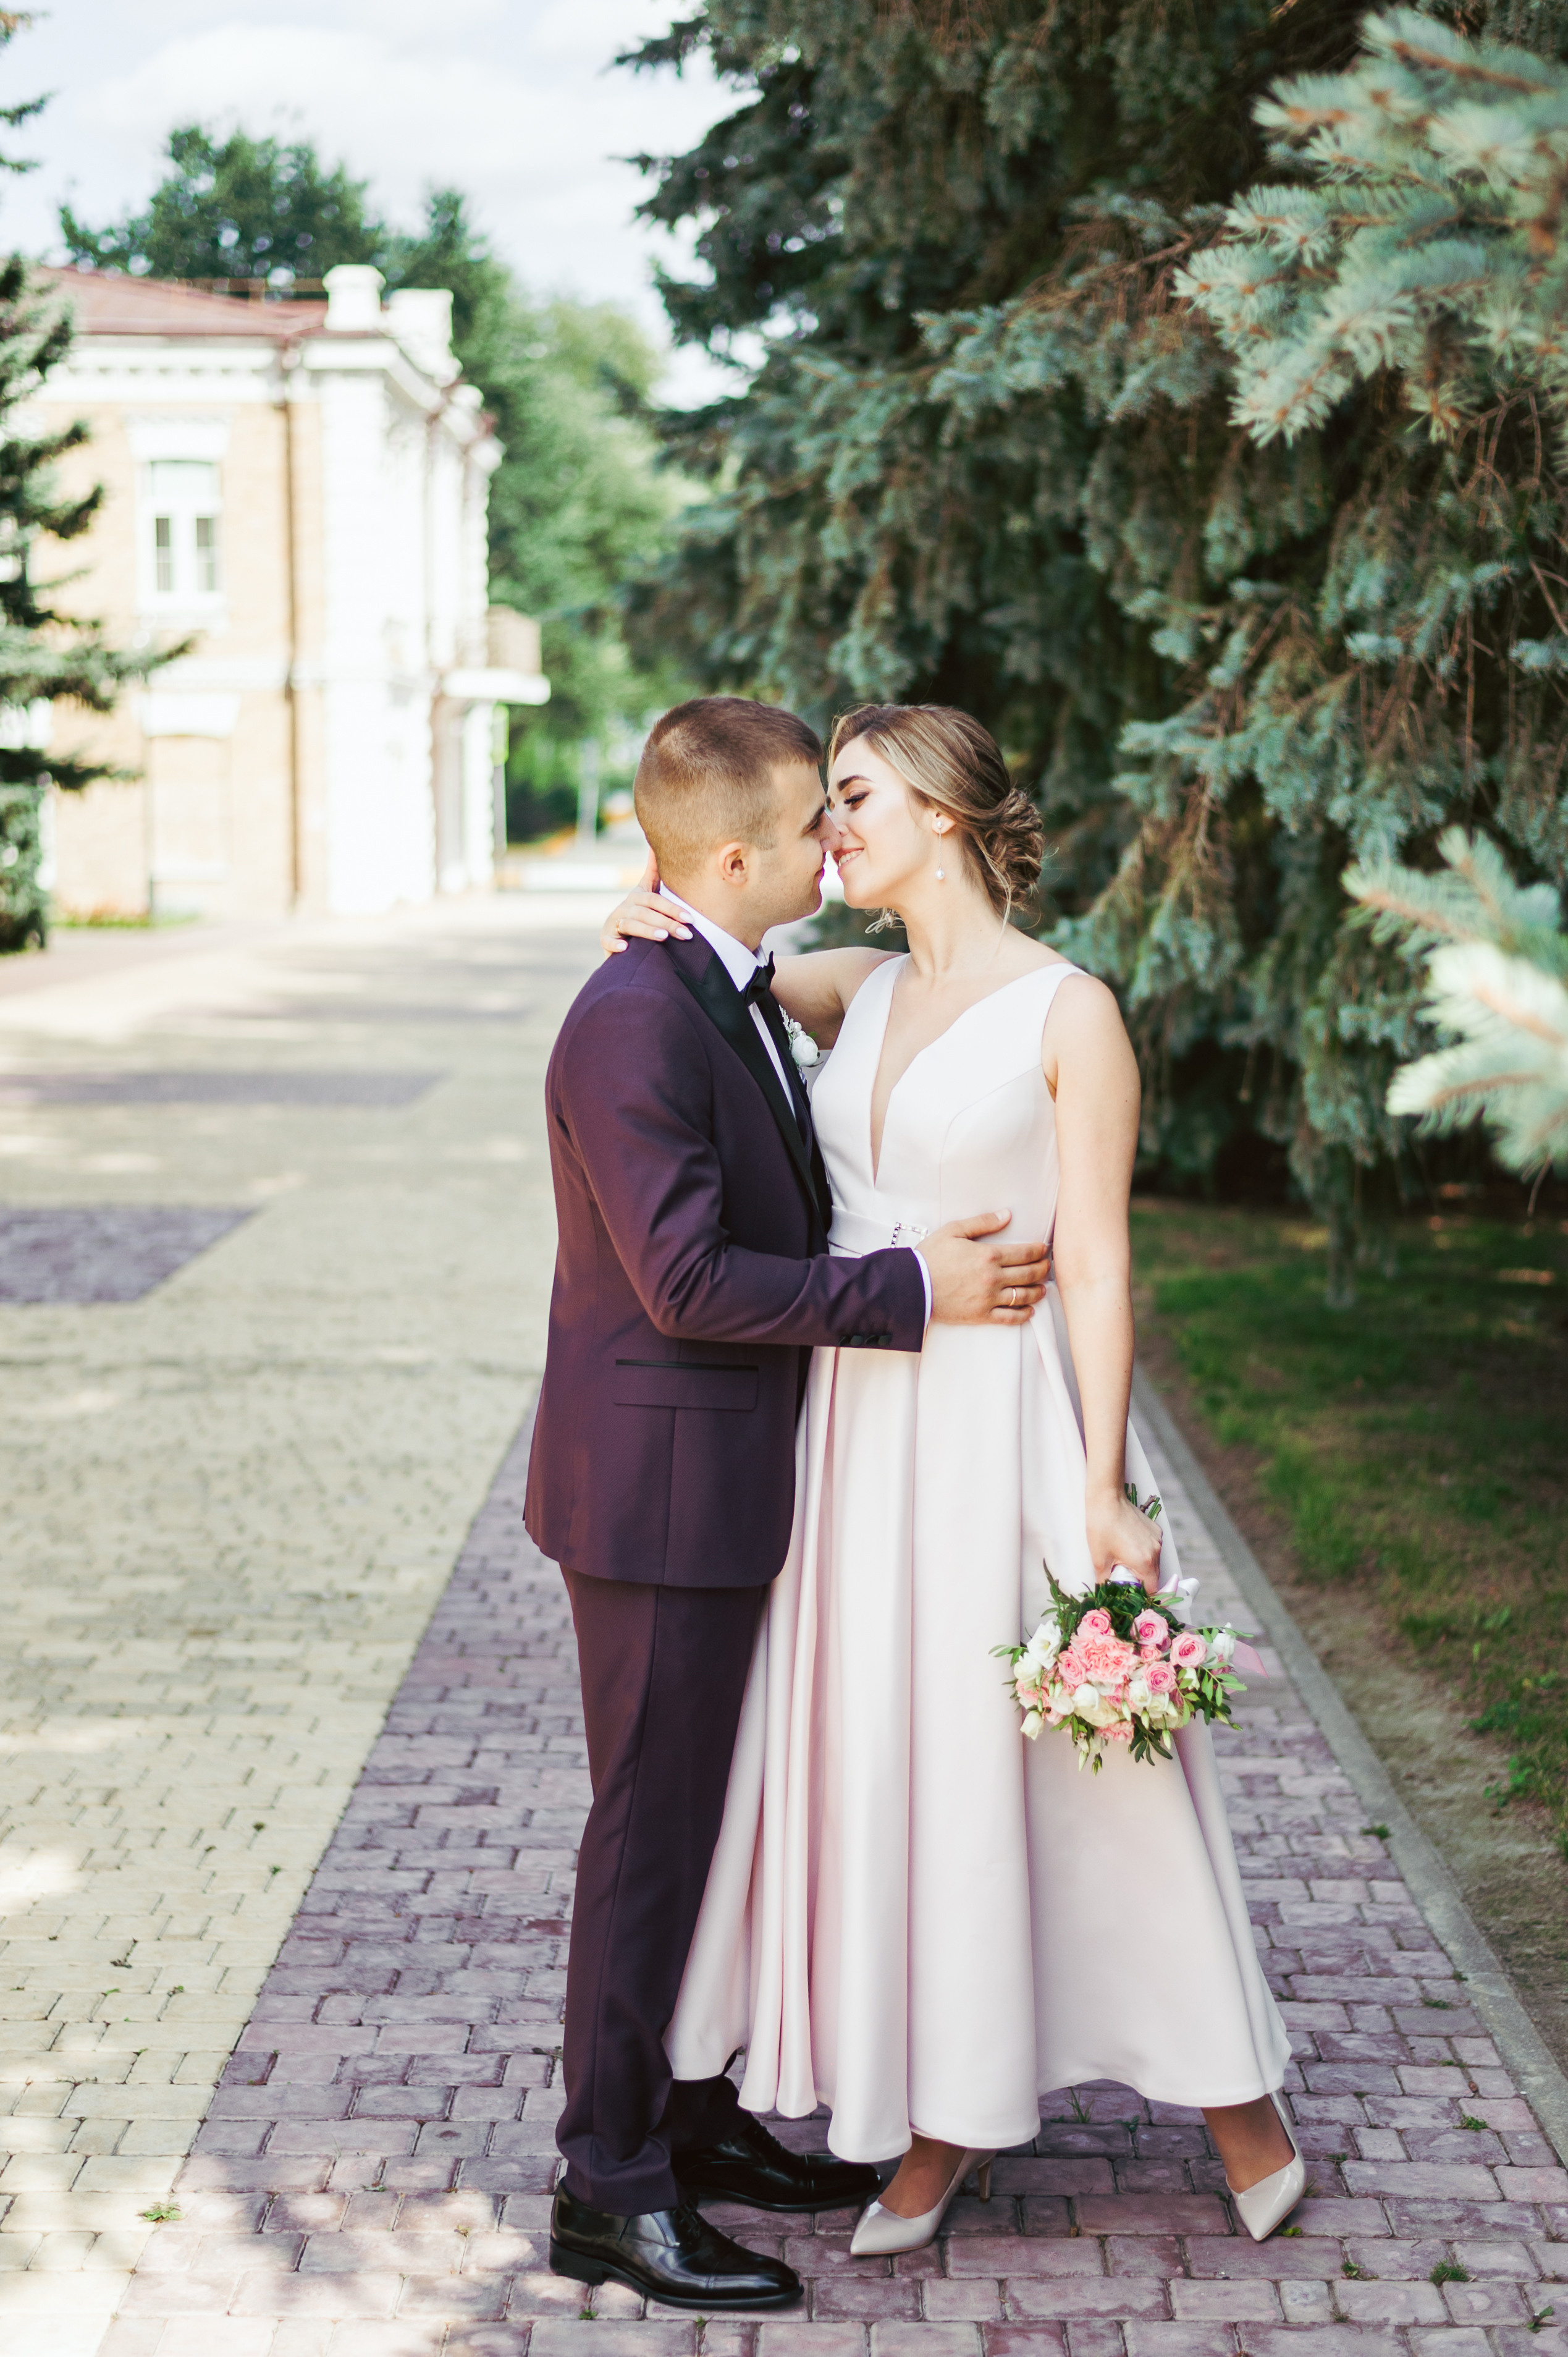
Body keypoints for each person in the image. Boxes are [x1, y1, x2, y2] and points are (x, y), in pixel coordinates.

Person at [601, 701, 1307, 2256]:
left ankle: (1234, 2093)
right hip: (852, 1426)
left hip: (997, 1420)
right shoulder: (848, 984)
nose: (830, 827)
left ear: (946, 808)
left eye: (852, 796)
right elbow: (710, 966)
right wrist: (649, 913)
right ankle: (942, 2113)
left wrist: (1108, 1485)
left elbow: (1105, 1268)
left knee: (1075, 1764)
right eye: (823, 805)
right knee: (898, 1758)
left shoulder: (1072, 1012)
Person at [525, 695, 1053, 2314]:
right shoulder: (637, 1016)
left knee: (705, 1824)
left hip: (722, 1479)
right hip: (656, 1494)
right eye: (813, 824)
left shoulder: (722, 977)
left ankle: (692, 2120)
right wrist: (912, 1284)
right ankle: (608, 2185)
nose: (837, 842)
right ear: (740, 852)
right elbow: (682, 1277)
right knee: (647, 1836)